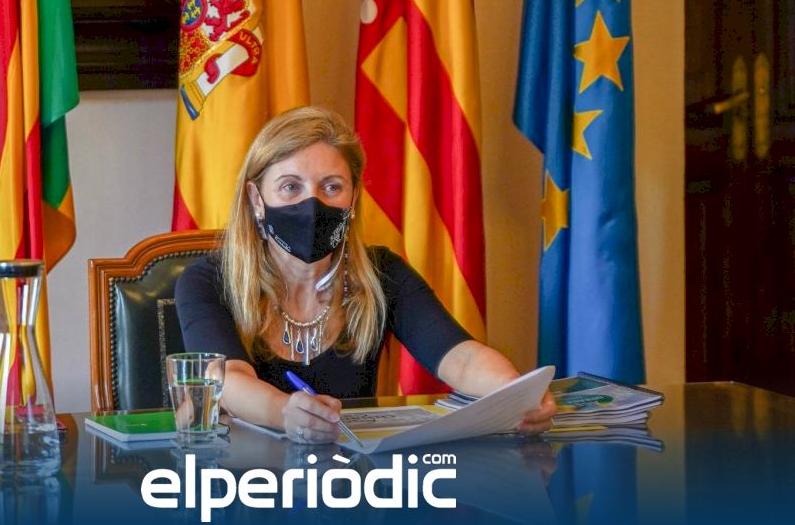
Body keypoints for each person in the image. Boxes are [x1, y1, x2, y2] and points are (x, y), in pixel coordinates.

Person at [175, 106, 556, 444]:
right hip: (247, 482)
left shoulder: (382, 273)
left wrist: (515, 394)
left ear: (353, 198)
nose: (313, 204)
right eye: (291, 187)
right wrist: (284, 413)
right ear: (257, 200)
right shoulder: (208, 281)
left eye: (332, 187)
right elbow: (228, 379)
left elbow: (461, 359)